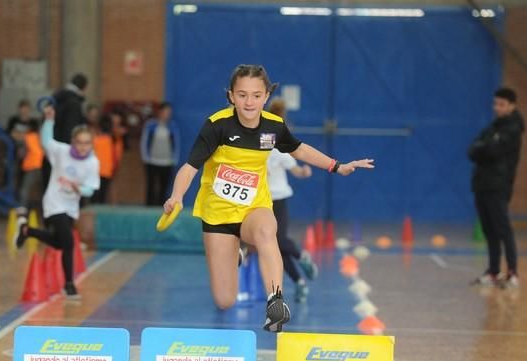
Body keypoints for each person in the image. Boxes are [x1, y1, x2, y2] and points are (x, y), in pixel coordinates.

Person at [162, 64, 374, 332]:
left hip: (254, 207)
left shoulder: (273, 127)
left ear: (266, 96)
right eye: (242, 95)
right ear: (231, 96)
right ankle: (234, 252)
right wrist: (177, 195)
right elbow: (190, 167)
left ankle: (275, 301)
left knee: (267, 230)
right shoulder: (217, 126)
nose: (249, 101)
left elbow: (300, 150)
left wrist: (337, 165)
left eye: (255, 95)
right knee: (224, 300)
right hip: (218, 215)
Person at [14, 105, 100, 300]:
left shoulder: (92, 162)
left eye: (87, 143)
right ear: (73, 142)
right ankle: (69, 284)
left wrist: (80, 189)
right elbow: (46, 141)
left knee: (60, 243)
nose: (83, 147)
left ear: (91, 144)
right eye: (79, 142)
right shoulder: (62, 152)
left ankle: (29, 231)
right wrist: (50, 120)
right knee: (68, 242)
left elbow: (91, 187)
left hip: (71, 206)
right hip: (54, 202)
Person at [468, 87, 524, 289]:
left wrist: (485, 148)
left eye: (501, 104)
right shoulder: (493, 127)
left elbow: (492, 151)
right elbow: (472, 150)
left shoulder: (513, 128)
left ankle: (512, 272)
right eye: (495, 104)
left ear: (511, 106)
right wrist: (484, 147)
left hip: (498, 185)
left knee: (502, 228)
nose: (497, 108)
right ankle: (493, 271)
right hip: (482, 184)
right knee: (489, 230)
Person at [266, 98, 318, 302]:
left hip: (278, 198)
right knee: (273, 246)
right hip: (260, 201)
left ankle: (301, 259)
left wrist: (303, 171)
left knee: (278, 241)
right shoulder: (255, 144)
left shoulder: (279, 147)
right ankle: (299, 282)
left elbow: (294, 168)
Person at [140, 101, 180, 206]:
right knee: (151, 184)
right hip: (152, 160)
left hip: (167, 162)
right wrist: (146, 157)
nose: (168, 114)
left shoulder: (172, 126)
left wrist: (174, 159)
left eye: (169, 112)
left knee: (164, 186)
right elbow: (144, 141)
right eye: (166, 112)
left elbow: (176, 143)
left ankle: (160, 206)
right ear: (160, 112)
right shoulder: (151, 125)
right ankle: (149, 205)